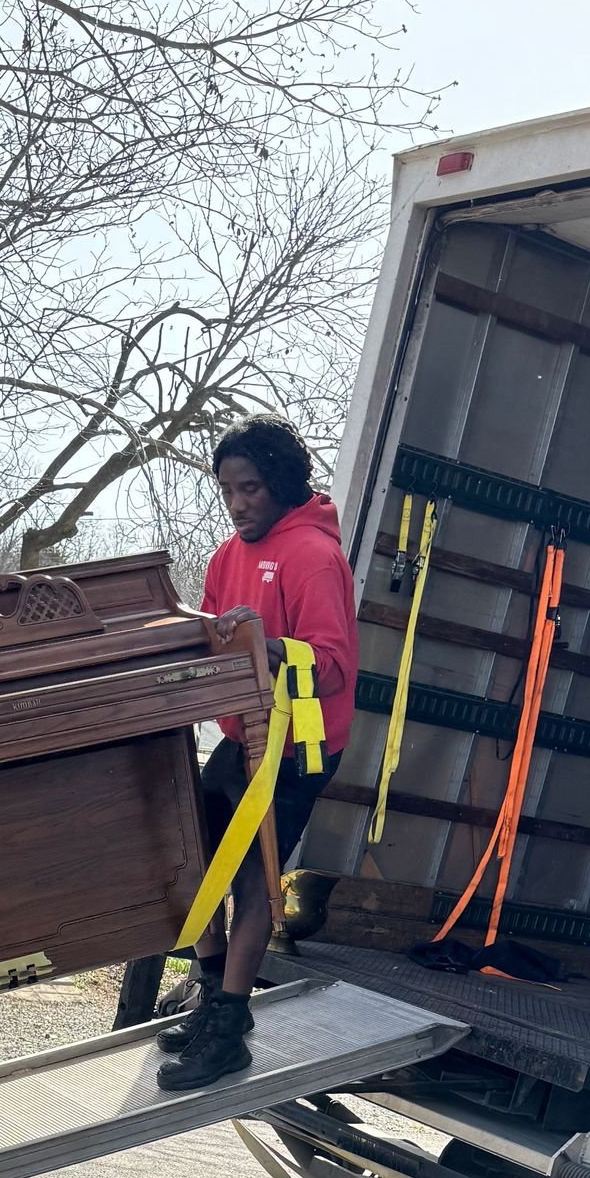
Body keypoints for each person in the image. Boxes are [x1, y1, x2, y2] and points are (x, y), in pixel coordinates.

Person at [155, 415, 360, 1091]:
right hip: (243, 737)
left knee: (248, 882)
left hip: (295, 749)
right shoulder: (224, 556)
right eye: (227, 492)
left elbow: (330, 663)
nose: (239, 504)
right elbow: (209, 642)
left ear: (280, 483)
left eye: (250, 489)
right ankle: (212, 996)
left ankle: (230, 1027)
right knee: (190, 863)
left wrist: (267, 645)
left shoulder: (313, 556)